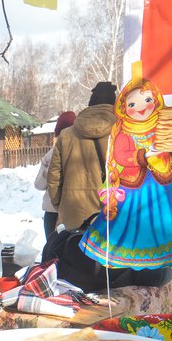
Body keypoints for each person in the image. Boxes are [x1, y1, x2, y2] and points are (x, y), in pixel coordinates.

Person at [79, 75, 172, 269]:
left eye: (148, 100)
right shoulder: (122, 131)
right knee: (127, 223)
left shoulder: (162, 126)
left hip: (161, 187)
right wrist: (142, 156)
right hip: (132, 186)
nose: (141, 107)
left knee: (162, 221)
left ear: (156, 100)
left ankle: (163, 254)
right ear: (123, 107)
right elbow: (120, 155)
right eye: (132, 103)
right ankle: (123, 253)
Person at [47, 82, 118, 234]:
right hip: (110, 214)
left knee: (74, 256)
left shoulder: (65, 135)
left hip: (72, 214)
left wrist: (62, 206)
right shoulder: (122, 133)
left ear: (90, 103)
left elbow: (53, 178)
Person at [35, 110, 76, 240]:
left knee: (58, 251)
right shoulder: (50, 156)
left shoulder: (52, 155)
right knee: (63, 252)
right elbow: (38, 185)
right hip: (63, 211)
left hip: (62, 211)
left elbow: (38, 185)